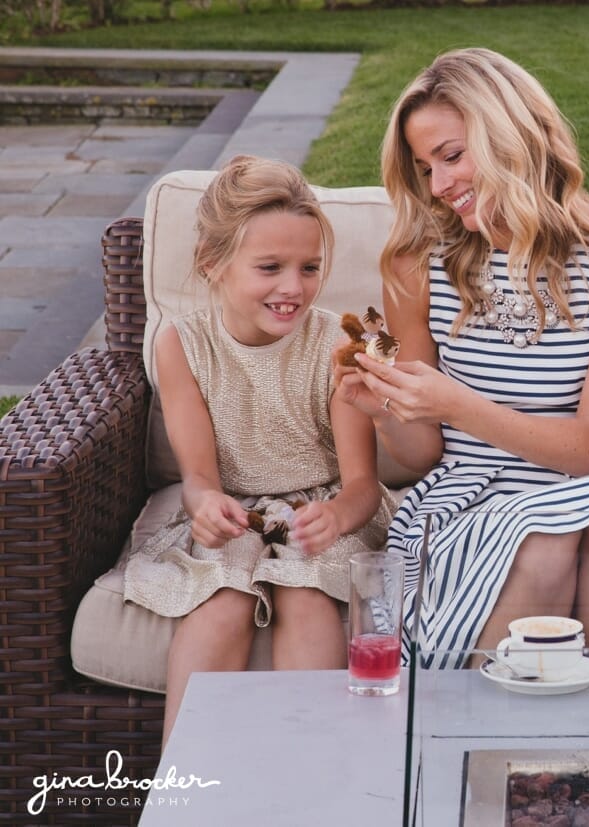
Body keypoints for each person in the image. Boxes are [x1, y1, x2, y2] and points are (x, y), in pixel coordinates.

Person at [336, 48, 589, 669]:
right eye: (425, 168)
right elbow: (423, 455)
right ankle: (496, 746)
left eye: (452, 156)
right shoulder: (421, 265)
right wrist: (388, 410)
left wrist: (452, 400)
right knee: (544, 541)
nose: (439, 186)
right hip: (473, 505)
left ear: (512, 139)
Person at [121, 155, 398, 745]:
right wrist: (203, 504)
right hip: (236, 509)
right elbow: (197, 476)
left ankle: (312, 777)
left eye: (309, 267)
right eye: (270, 267)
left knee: (305, 590)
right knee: (221, 600)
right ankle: (187, 788)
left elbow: (361, 487)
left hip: (321, 509)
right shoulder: (182, 345)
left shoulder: (338, 343)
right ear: (213, 265)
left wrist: (334, 519)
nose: (293, 287)